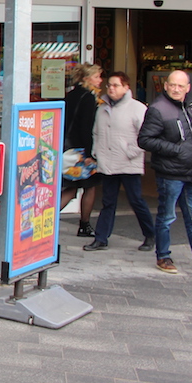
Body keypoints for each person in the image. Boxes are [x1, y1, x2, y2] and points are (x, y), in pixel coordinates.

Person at [137, 70, 192, 274]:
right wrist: (175, 150)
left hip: (190, 174)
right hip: (170, 173)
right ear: (165, 86)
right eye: (172, 85)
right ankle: (163, 257)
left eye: (180, 86)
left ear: (188, 88)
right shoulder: (158, 109)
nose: (176, 89)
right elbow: (144, 140)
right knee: (167, 217)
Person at [86, 71, 154, 252]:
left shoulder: (137, 108)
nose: (111, 88)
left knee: (136, 200)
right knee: (108, 202)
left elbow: (146, 135)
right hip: (107, 163)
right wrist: (96, 152)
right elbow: (96, 132)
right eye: (109, 85)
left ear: (126, 87)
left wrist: (131, 152)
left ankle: (150, 235)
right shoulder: (102, 109)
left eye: (115, 85)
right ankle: (101, 238)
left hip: (128, 163)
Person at [61, 63, 103, 237]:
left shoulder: (71, 95)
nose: (100, 80)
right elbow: (86, 128)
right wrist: (90, 153)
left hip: (68, 148)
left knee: (71, 188)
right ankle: (84, 225)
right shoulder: (88, 97)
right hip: (81, 151)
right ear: (86, 79)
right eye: (96, 77)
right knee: (89, 187)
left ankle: (45, 219)